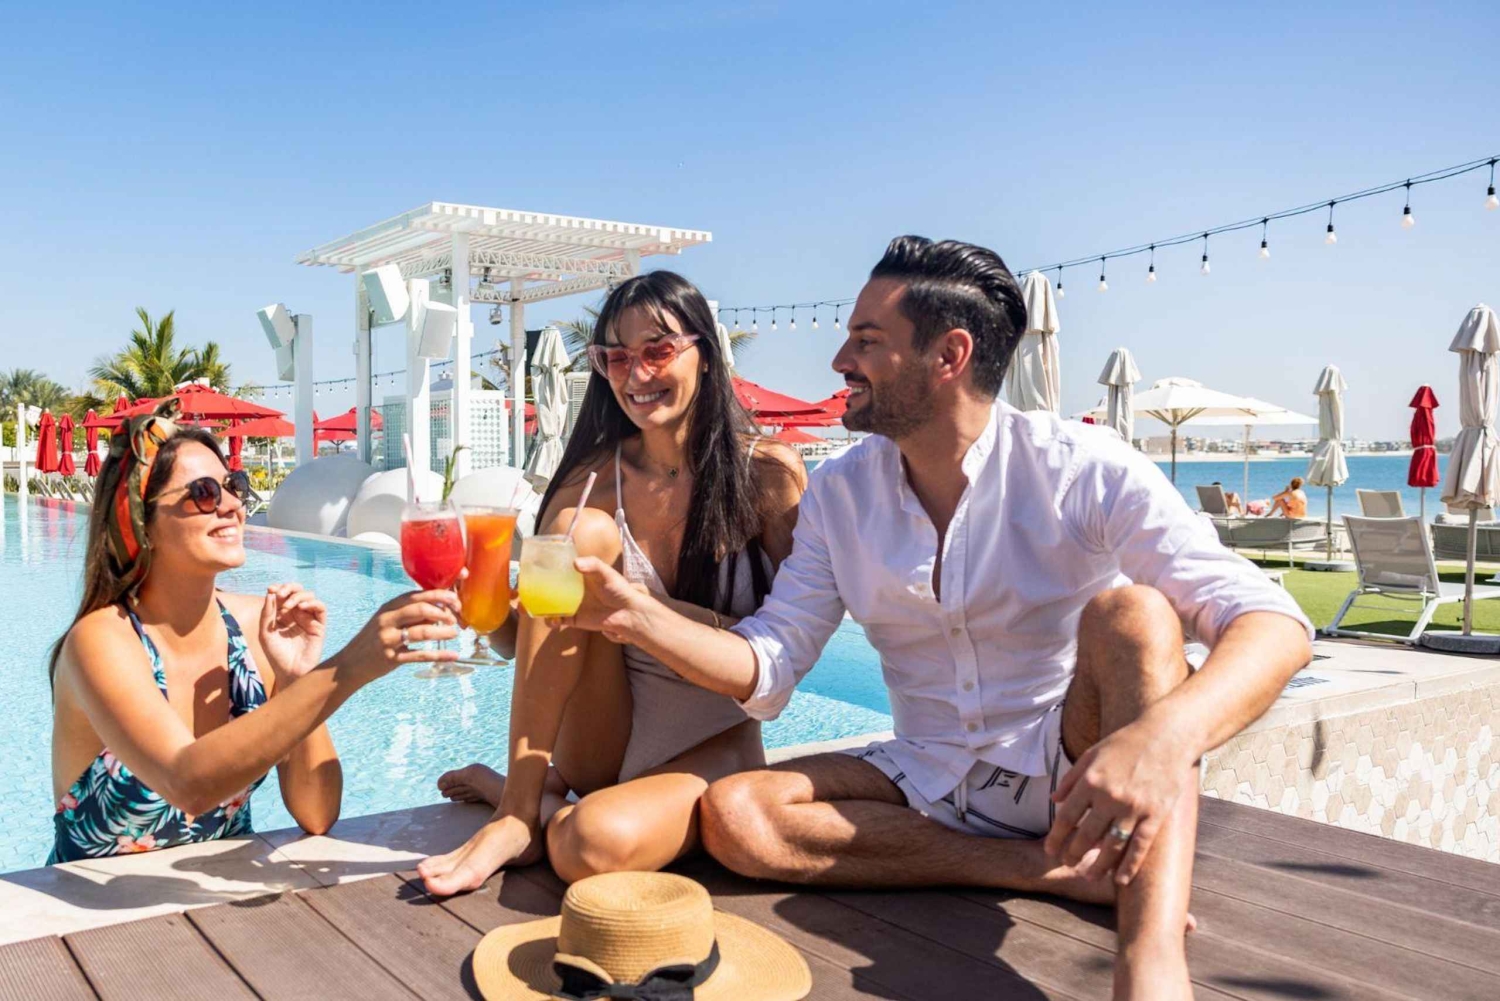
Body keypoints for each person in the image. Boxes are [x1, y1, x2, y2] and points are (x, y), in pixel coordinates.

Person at [564, 237, 1313, 1000]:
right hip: (925, 773)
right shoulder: (839, 495)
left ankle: (1150, 960)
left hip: (1069, 762)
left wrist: (1164, 737)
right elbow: (771, 662)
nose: (839, 361)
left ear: (949, 355)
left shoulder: (1081, 466)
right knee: (736, 813)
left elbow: (1271, 621)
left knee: (1135, 615)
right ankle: (1045, 868)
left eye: (866, 341)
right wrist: (637, 616)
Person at [416, 271, 805, 895]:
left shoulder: (767, 477)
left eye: (659, 349)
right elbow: (527, 646)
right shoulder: (588, 486)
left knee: (589, 848)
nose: (637, 374)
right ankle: (518, 808)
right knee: (582, 533)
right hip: (601, 735)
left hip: (712, 732)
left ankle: (524, 801)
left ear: (706, 353)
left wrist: (649, 616)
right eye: (616, 358)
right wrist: (487, 610)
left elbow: (796, 645)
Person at [49, 404, 461, 863]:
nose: (232, 505)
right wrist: (347, 668)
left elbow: (318, 812)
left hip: (221, 897)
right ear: (142, 523)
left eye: (234, 486)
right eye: (204, 493)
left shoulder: (254, 628)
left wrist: (297, 679)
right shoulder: (102, 640)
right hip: (90, 904)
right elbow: (186, 782)